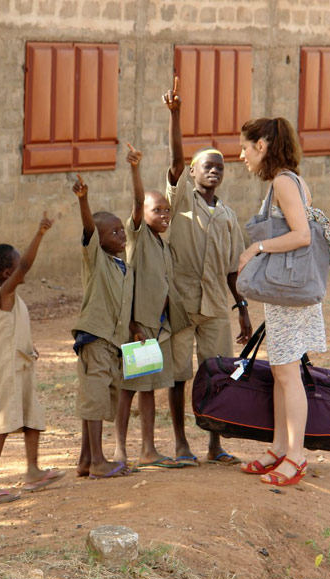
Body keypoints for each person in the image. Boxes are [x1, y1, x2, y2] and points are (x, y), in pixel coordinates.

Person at [163, 77, 252, 467]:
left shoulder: (230, 216)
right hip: (181, 303)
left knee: (217, 373)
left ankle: (216, 444)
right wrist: (176, 114)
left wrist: (243, 308)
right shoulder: (181, 201)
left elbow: (233, 269)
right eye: (206, 166)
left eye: (219, 167)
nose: (214, 171)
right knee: (179, 374)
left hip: (216, 305)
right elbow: (175, 158)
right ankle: (182, 443)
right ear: (192, 173)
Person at [236, 117, 327, 486]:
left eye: (245, 146)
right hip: (287, 292)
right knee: (279, 371)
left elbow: (302, 236)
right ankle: (278, 448)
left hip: (288, 294)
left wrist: (256, 247)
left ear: (262, 146)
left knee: (288, 375)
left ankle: (296, 456)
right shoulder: (291, 181)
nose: (240, 154)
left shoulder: (283, 183)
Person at [0, 215, 65, 504]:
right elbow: (26, 265)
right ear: (6, 273)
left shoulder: (3, 299)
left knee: (31, 417)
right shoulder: (5, 293)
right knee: (2, 425)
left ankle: (33, 471)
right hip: (6, 370)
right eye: (17, 263)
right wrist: (40, 233)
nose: (23, 265)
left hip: (19, 365)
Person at [112, 144, 189, 469]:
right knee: (128, 389)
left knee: (148, 389)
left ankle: (148, 448)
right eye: (157, 210)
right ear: (141, 216)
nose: (164, 215)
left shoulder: (163, 243)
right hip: (139, 327)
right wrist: (135, 169)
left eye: (167, 210)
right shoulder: (139, 237)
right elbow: (135, 200)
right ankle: (119, 451)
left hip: (160, 328)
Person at [71, 174, 134, 479]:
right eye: (114, 232)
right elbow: (88, 229)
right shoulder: (95, 259)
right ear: (99, 237)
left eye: (123, 230)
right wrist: (84, 199)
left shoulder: (123, 267)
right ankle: (97, 460)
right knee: (94, 398)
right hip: (95, 337)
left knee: (100, 398)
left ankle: (85, 459)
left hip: (114, 341)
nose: (122, 236)